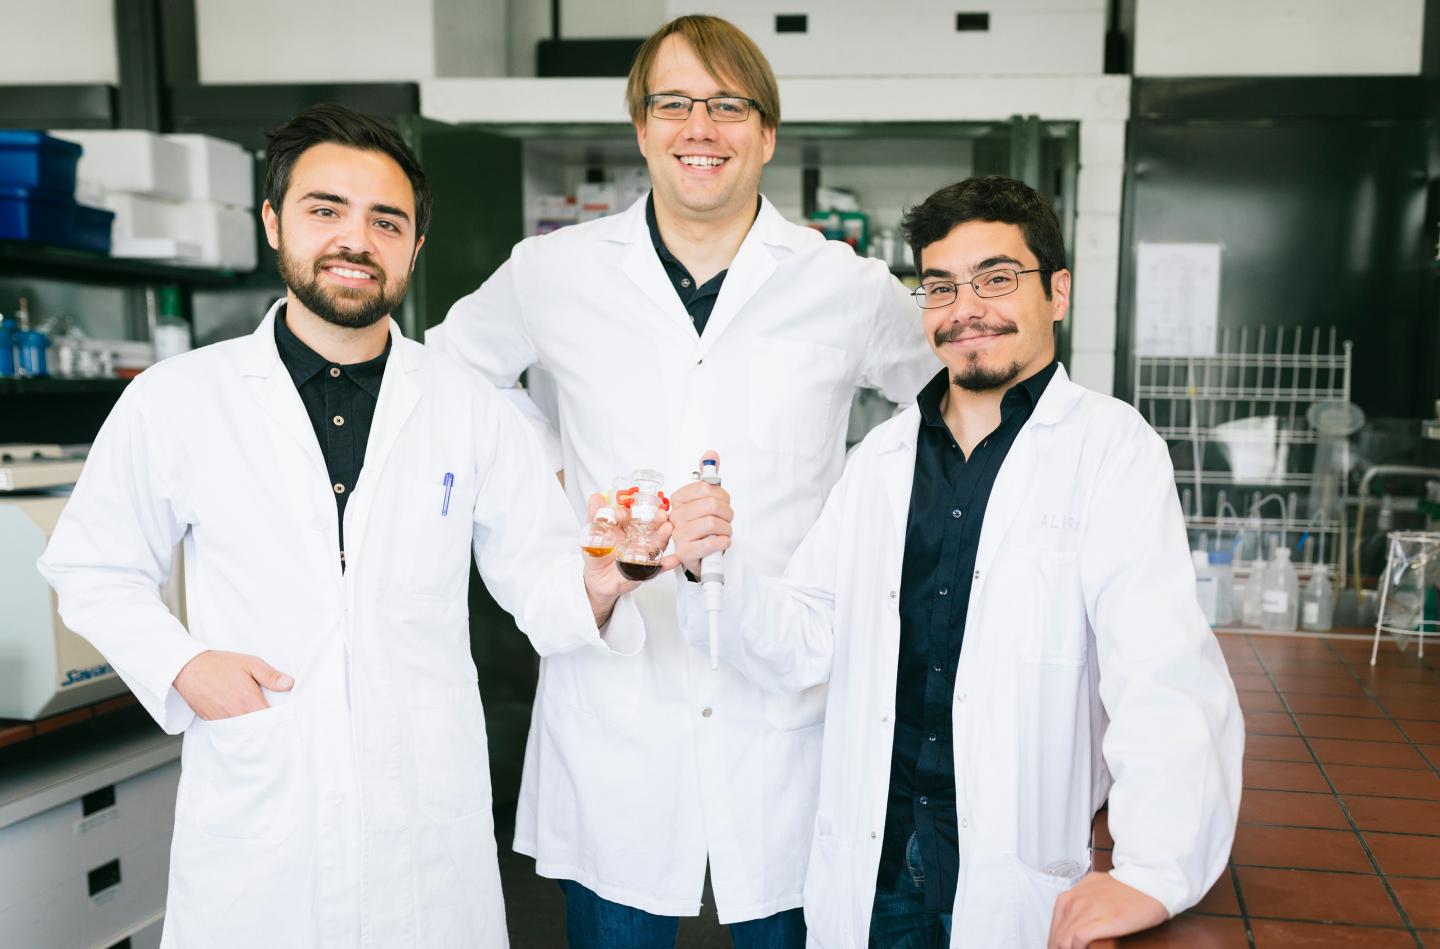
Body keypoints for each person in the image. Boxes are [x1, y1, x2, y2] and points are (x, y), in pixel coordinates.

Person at [38, 103, 664, 949]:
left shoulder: (467, 407)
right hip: (262, 814)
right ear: (274, 222)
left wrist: (603, 580)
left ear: (415, 245)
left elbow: (543, 578)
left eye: (386, 221)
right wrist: (184, 665)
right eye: (325, 210)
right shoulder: (179, 399)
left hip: (422, 823)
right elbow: (91, 567)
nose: (355, 240)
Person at [427, 14, 933, 946]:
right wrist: (551, 465)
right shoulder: (553, 272)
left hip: (784, 705)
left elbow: (944, 408)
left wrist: (863, 514)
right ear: (641, 127)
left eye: (728, 105)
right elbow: (450, 371)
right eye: (673, 103)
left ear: (766, 134)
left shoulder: (846, 286)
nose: (700, 127)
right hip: (618, 710)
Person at [669, 176, 1244, 948]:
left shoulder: (1110, 449)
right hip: (877, 872)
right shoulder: (881, 457)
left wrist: (1153, 869)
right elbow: (808, 635)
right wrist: (711, 566)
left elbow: (1161, 674)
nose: (965, 307)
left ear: (1058, 291)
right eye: (940, 286)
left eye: (996, 278)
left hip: (1010, 876)